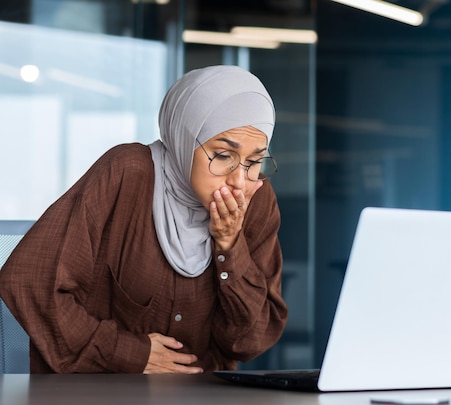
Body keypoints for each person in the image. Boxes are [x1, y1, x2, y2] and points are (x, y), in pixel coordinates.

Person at [0, 65, 288, 374]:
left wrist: (230, 247)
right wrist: (128, 353)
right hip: (99, 398)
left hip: (201, 399)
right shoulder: (128, 173)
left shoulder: (256, 201)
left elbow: (249, 342)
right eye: (222, 156)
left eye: (255, 161)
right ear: (185, 140)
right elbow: (29, 282)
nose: (239, 180)